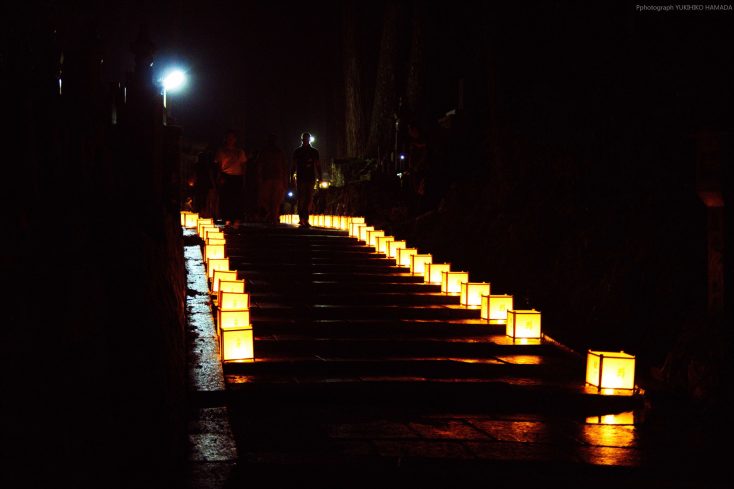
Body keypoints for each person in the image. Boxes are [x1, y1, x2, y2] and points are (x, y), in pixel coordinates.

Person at [214, 129, 247, 228]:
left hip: (237, 176)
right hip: (226, 176)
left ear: (235, 139)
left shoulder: (239, 152)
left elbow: (243, 165)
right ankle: (227, 219)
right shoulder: (221, 151)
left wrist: (243, 176)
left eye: (232, 137)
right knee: (226, 199)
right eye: (228, 137)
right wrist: (219, 176)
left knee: (236, 199)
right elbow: (218, 165)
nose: (230, 139)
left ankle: (236, 219)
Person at [255, 134, 289, 224]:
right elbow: (260, 165)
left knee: (271, 199)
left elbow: (259, 165)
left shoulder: (271, 152)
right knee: (273, 200)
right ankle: (273, 216)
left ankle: (272, 217)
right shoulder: (273, 152)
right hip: (272, 178)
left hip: (273, 178)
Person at [291, 132, 322, 228]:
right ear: (302, 140)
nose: (305, 140)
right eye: (304, 139)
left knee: (309, 199)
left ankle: (306, 218)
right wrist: (291, 176)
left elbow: (317, 164)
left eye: (307, 139)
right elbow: (293, 165)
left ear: (308, 140)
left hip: (310, 177)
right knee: (301, 198)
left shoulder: (314, 152)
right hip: (301, 178)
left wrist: (320, 177)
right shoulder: (298, 152)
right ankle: (302, 218)